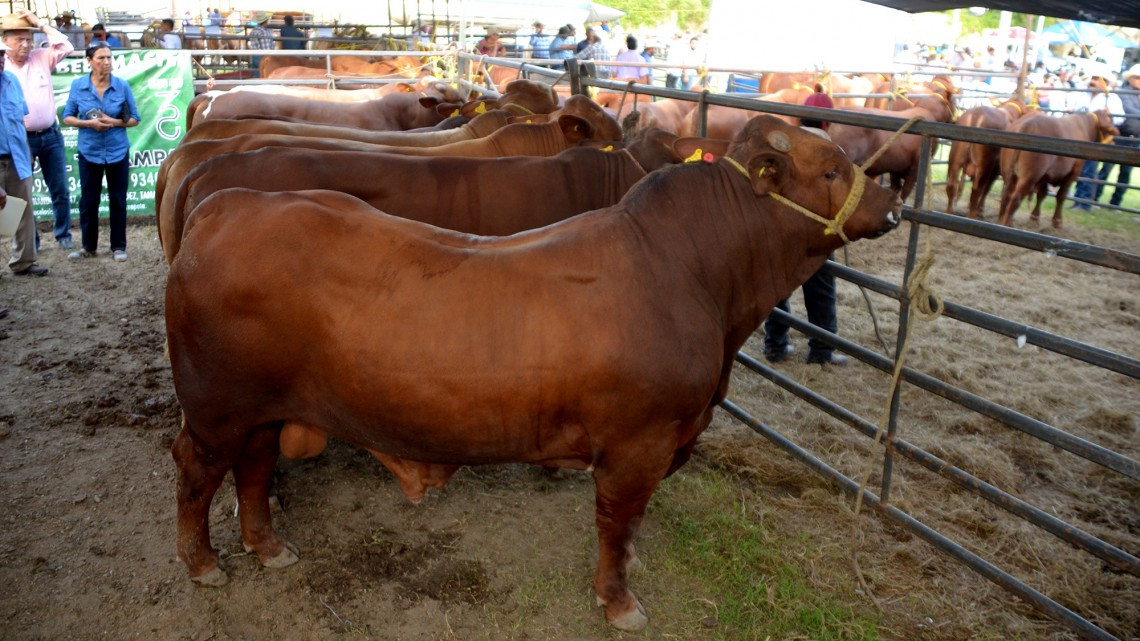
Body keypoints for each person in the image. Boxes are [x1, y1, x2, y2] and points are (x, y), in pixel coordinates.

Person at [763, 91, 847, 366]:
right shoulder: (833, 153)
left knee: (777, 287)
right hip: (815, 233)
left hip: (779, 229)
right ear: (827, 122)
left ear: (800, 118)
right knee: (821, 288)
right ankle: (821, 351)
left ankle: (775, 346)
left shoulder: (783, 145)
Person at [61, 43, 140, 263]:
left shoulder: (121, 86)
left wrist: (113, 122)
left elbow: (134, 118)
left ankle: (118, 246)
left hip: (117, 151)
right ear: (89, 61)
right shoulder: (78, 86)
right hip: (90, 152)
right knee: (88, 201)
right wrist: (89, 124)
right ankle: (88, 246)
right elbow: (67, 116)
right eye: (101, 58)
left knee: (118, 200)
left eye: (109, 58)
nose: (106, 62)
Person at [2, 11, 74, 252]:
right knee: (25, 194)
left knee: (60, 189)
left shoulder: (41, 57)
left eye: (28, 39)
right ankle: (31, 243)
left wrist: (40, 24)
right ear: (5, 41)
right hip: (21, 140)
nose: (26, 44)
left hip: (51, 134)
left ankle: (63, 234)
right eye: (19, 40)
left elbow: (66, 46)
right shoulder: (4, 69)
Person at [0, 39, 48, 276]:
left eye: (1, 55)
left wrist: (27, 149)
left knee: (24, 210)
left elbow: (20, 121)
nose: (0, 59)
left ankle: (23, 261)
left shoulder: (11, 82)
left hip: (17, 156)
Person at [1072, 74, 1124, 210]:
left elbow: (1120, 119)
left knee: (1089, 168)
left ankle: (1084, 202)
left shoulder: (1111, 98)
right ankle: (1078, 199)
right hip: (1081, 135)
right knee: (1080, 168)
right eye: (1092, 79)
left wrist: (1110, 114)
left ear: (1104, 83)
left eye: (1096, 80)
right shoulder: (1083, 95)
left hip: (1097, 138)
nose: (1092, 82)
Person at [1095, 67, 1138, 208]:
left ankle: (1115, 203)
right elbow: (1128, 110)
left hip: (1135, 139)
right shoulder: (1123, 93)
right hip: (1121, 137)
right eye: (1137, 77)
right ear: (1130, 78)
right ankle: (1094, 198)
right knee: (1107, 168)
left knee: (1125, 173)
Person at [247, 12, 275, 77]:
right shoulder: (264, 32)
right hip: (263, 57)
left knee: (256, 74)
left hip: (254, 55)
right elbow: (266, 48)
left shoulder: (253, 31)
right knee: (264, 75)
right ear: (265, 21)